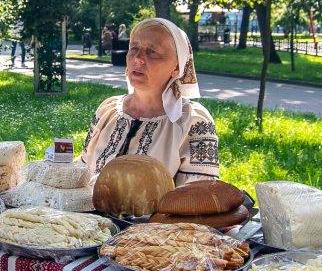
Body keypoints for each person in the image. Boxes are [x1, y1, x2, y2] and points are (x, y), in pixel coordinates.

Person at [80, 17, 219, 185]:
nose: (137, 58)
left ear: (177, 67)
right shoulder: (107, 111)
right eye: (134, 48)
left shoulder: (192, 121)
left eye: (152, 52)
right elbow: (82, 169)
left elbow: (196, 196)